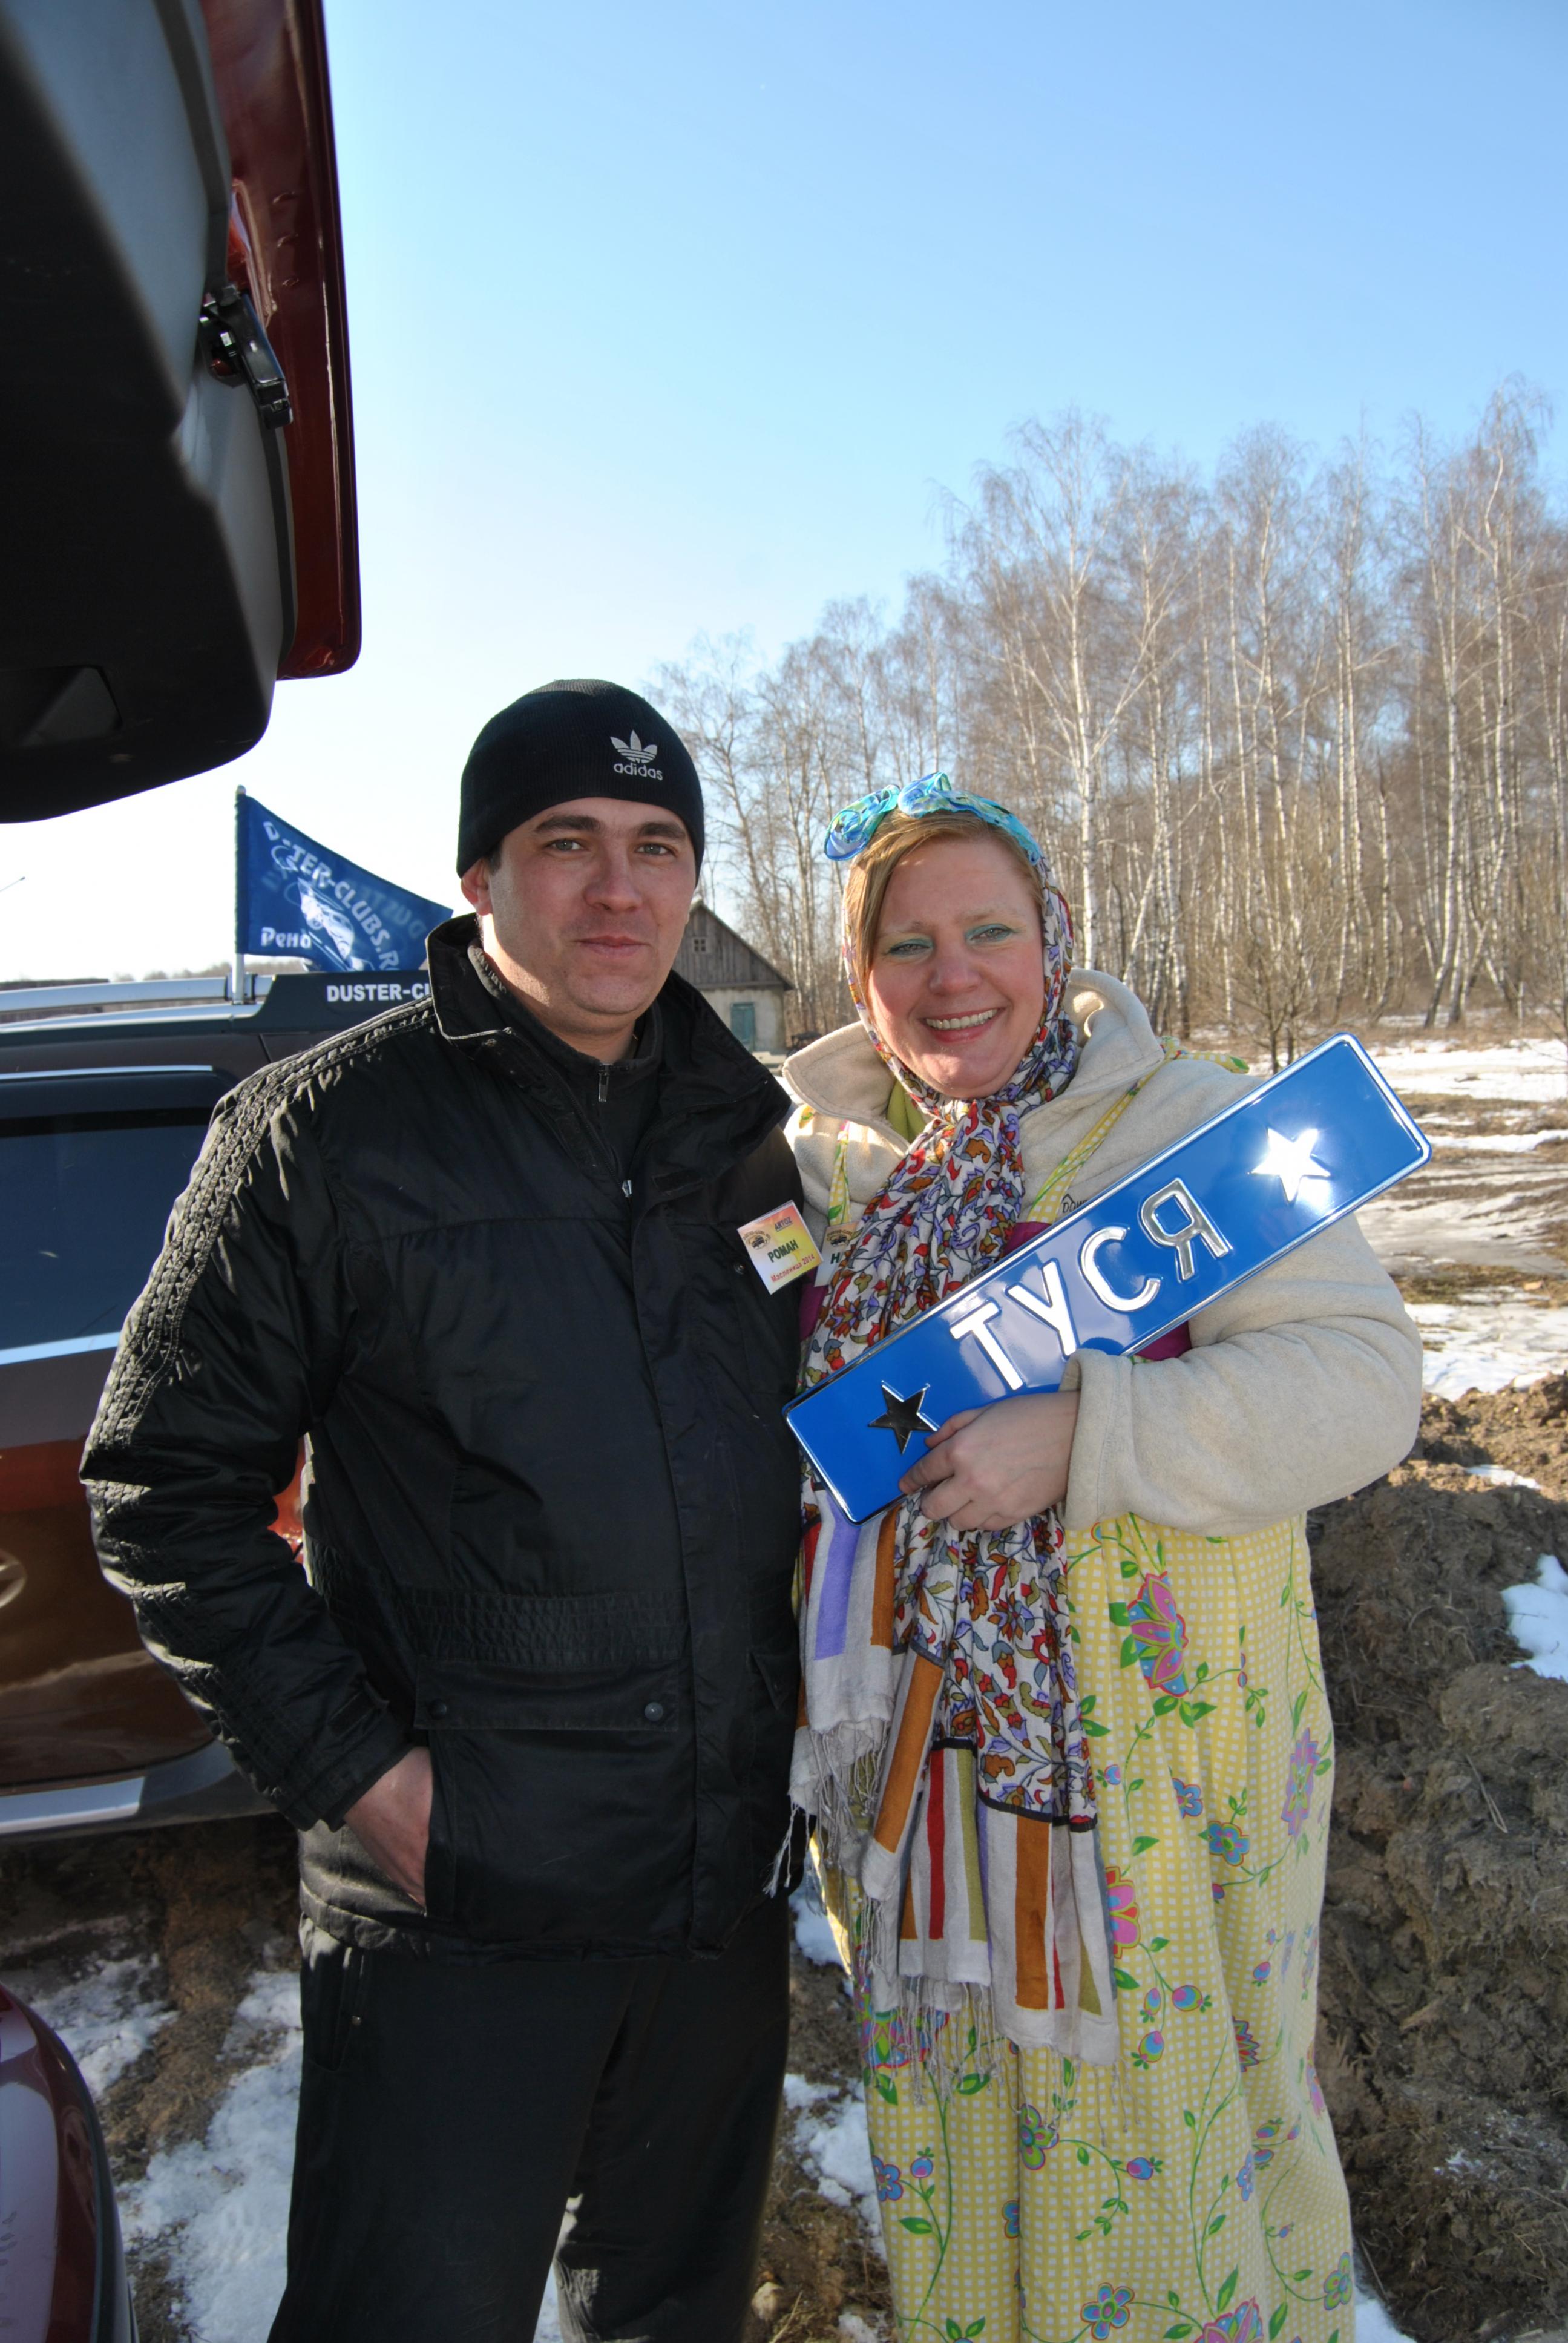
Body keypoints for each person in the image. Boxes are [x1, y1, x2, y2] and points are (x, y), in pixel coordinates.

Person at [84, 680, 807, 2343]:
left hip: (716, 1897)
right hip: (462, 1902)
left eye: (658, 847)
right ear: (480, 876)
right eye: (568, 843)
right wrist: (365, 1780)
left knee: (675, 2317)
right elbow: (160, 1488)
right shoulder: (325, 1134)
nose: (619, 890)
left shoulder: (749, 1139)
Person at [782, 773, 1422, 2343]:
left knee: (1185, 2135)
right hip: (918, 1780)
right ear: (861, 975)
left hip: (1167, 1763)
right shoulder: (820, 1169)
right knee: (962, 2135)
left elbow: (1365, 1386)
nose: (953, 976)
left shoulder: (1186, 1128)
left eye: (990, 931)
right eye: (908, 944)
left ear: (1053, 940)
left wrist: (1092, 1435)